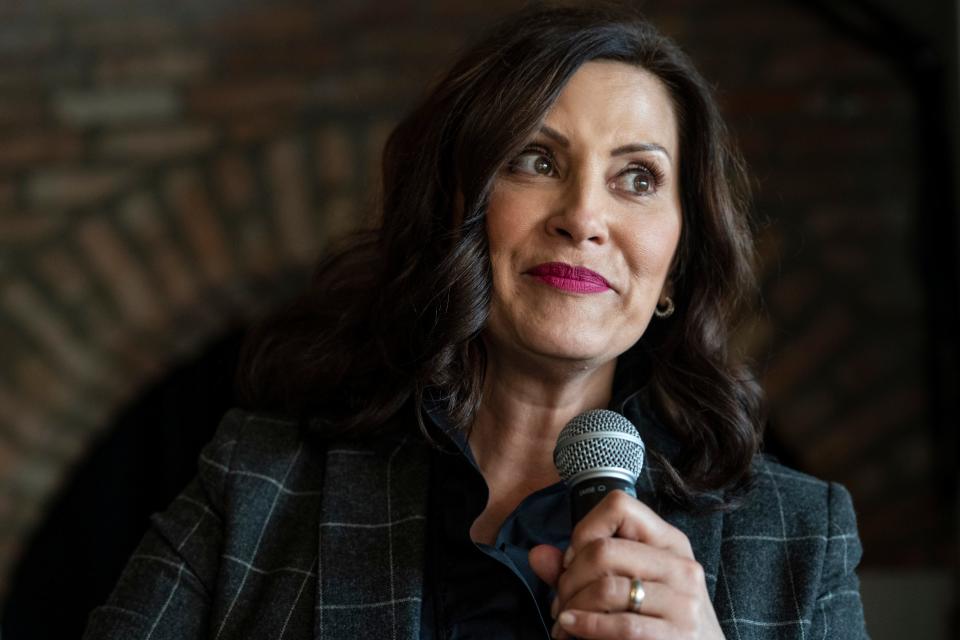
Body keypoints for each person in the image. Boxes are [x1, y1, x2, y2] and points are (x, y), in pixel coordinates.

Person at [84, 4, 868, 639]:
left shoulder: (800, 535)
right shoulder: (261, 482)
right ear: (460, 208)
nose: (584, 216)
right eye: (536, 159)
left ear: (679, 257)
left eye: (637, 178)